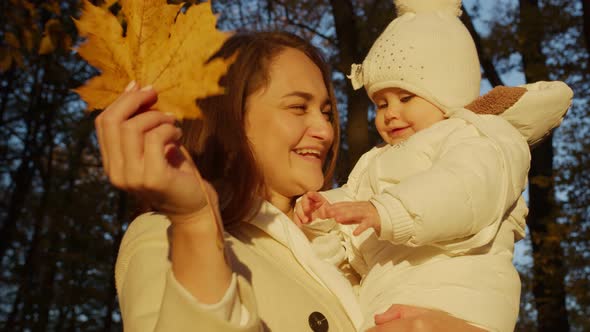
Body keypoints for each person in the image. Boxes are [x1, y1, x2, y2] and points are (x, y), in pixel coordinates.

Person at [95, 31, 497, 331]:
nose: (324, 130)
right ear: (231, 116)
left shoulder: (360, 246)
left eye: (325, 111)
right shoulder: (170, 239)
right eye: (297, 107)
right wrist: (196, 224)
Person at [294, 1, 573, 331]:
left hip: (457, 299)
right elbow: (352, 220)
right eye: (381, 103)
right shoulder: (375, 161)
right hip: (386, 303)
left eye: (406, 98)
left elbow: (464, 189)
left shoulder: (478, 136)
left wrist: (388, 211)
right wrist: (323, 215)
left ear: (447, 93)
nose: (390, 113)